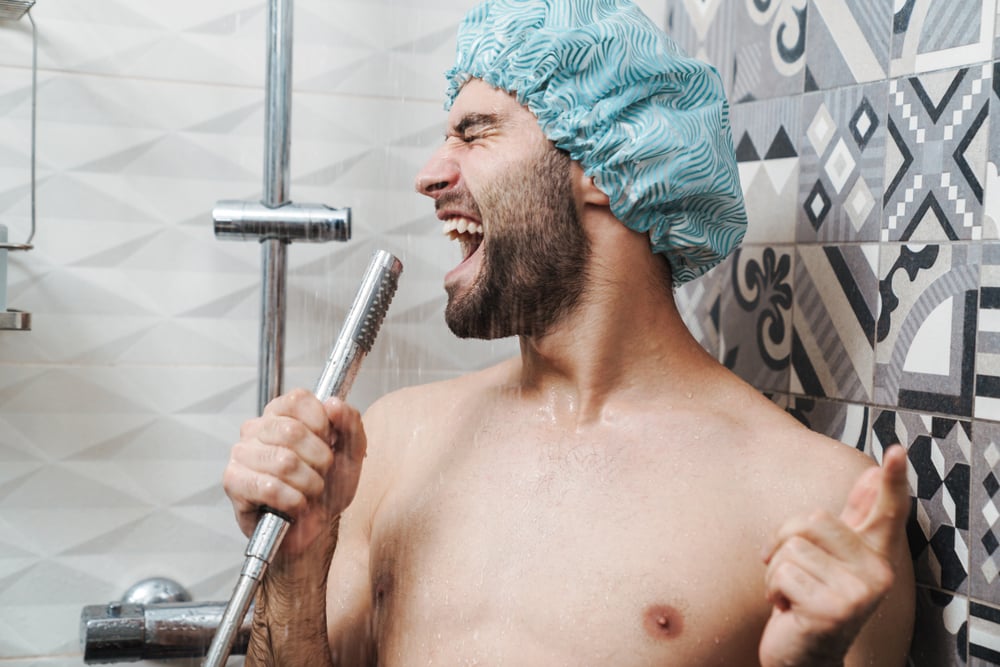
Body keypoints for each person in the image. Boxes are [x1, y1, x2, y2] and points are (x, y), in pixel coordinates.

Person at [222, 1, 916, 665]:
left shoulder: (811, 498)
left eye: (473, 132)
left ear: (609, 166)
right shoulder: (399, 442)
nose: (429, 175)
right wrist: (296, 565)